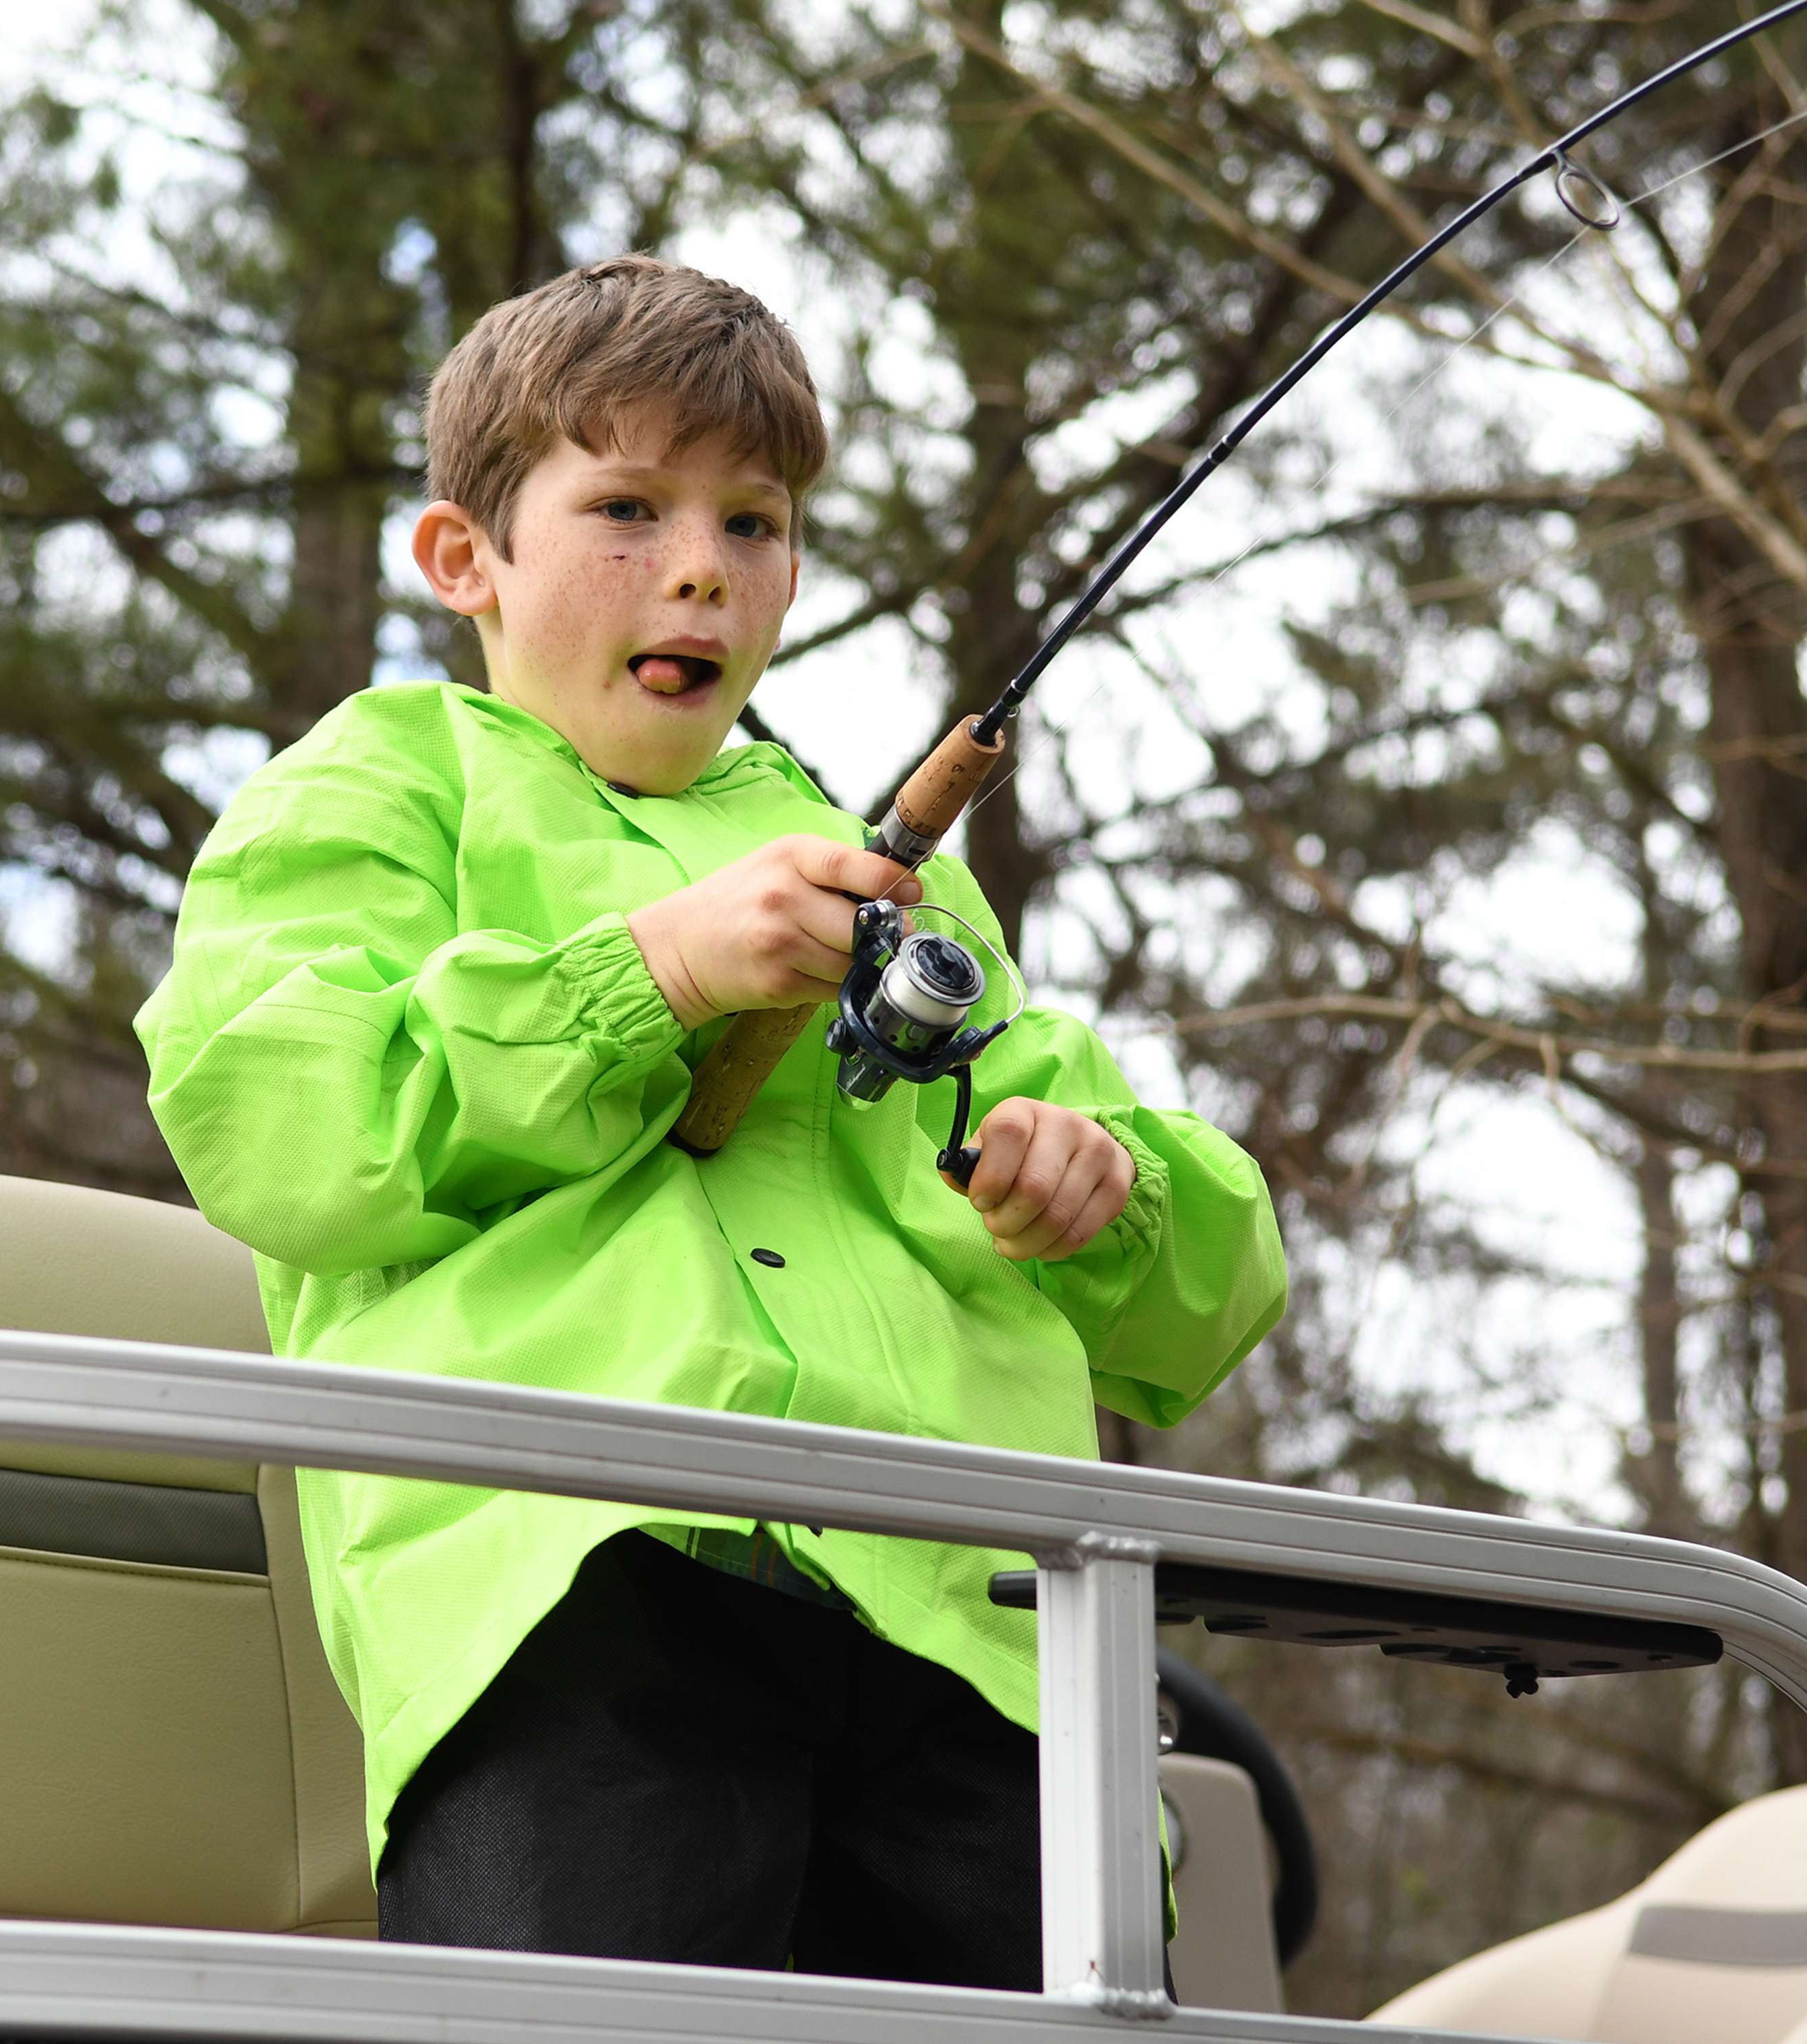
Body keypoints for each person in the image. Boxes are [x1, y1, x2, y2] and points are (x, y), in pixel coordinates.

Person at [136, 254, 1286, 1992]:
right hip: (584, 1608)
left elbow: (1209, 1288)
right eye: (625, 505)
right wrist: (654, 973)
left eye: (753, 522)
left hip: (982, 1658)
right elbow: (282, 1117)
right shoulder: (376, 785)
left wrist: (1098, 1192)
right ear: (468, 560)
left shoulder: (902, 879)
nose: (698, 565)